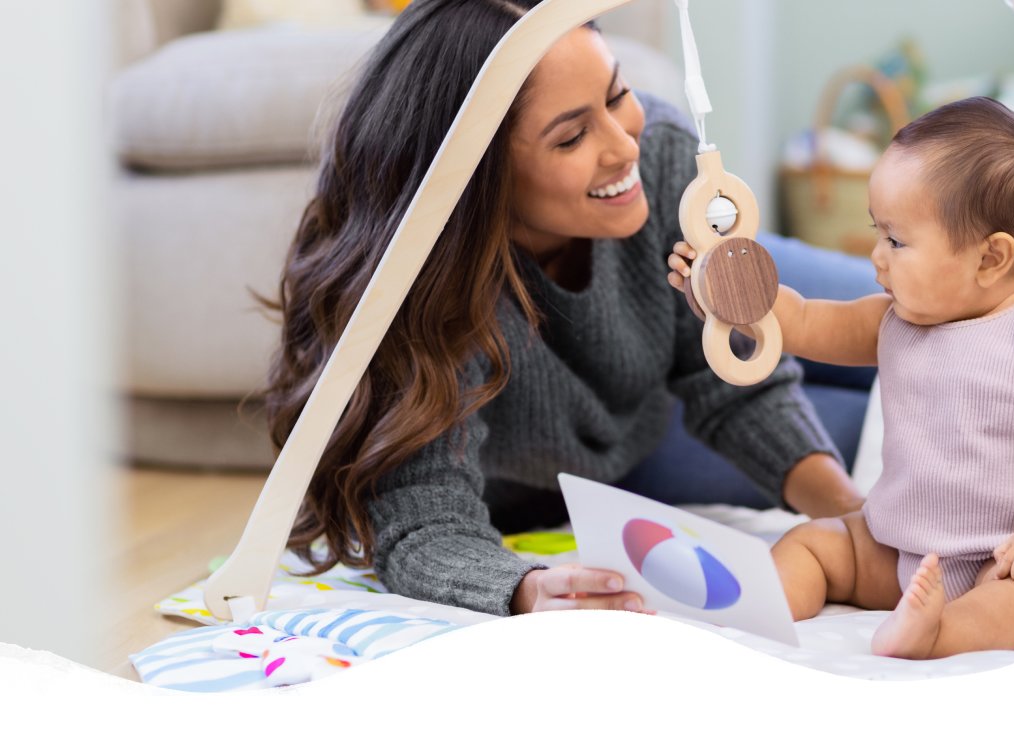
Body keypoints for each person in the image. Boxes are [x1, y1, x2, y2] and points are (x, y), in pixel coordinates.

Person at [263, 0, 865, 620]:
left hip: (658, 382)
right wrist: (527, 588)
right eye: (572, 136)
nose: (624, 144)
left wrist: (854, 520)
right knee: (881, 420)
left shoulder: (658, 156)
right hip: (600, 466)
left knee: (923, 322)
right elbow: (423, 519)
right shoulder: (422, 279)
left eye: (618, 94)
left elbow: (736, 384)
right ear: (479, 177)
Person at [669, 97, 1014, 659]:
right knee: (813, 544)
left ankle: (940, 634)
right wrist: (727, 295)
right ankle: (757, 608)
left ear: (991, 259)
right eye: (877, 232)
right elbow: (804, 320)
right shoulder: (894, 318)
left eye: (897, 240)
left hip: (1011, 554)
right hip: (899, 547)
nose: (876, 255)